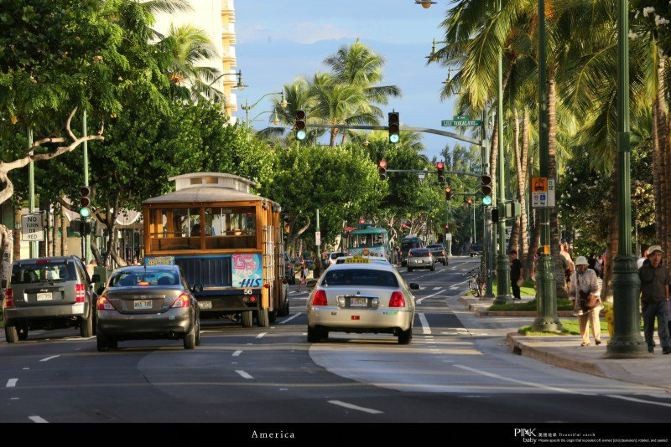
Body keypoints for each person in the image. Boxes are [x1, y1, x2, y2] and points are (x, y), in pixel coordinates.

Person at [638, 245, 671, 354]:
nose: (656, 258)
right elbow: (638, 287)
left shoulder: (664, 270)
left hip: (662, 302)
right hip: (648, 302)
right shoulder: (642, 271)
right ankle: (649, 345)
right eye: (654, 255)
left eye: (659, 255)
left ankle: (666, 346)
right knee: (648, 327)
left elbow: (666, 284)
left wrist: (666, 298)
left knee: (664, 325)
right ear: (649, 256)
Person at [568, 256, 602, 347]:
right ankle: (585, 340)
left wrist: (590, 297)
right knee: (582, 322)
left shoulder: (591, 273)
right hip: (580, 302)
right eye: (579, 265)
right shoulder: (574, 276)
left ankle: (597, 338)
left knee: (594, 318)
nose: (581, 267)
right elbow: (572, 290)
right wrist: (573, 301)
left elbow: (595, 287)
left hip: (593, 301)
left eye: (582, 265)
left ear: (586, 265)